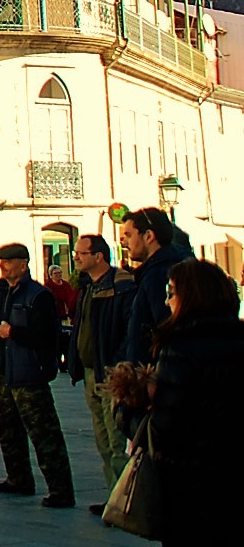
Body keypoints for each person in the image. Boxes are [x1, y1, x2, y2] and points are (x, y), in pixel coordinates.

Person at [110, 258, 242, 546]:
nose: (167, 302)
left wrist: (125, 410)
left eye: (171, 293)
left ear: (191, 297)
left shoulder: (180, 349)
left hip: (193, 488)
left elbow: (164, 431)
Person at [0, 242, 74, 508]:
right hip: (4, 372)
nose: (3, 267)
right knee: (8, 432)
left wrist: (13, 333)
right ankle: (18, 479)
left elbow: (46, 336)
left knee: (44, 433)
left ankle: (61, 490)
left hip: (29, 373)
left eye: (8, 262)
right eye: (1, 262)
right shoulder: (2, 293)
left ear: (23, 264)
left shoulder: (39, 296)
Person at [66, 232, 134, 514]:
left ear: (99, 256)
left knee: (116, 438)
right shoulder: (88, 287)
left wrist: (117, 364)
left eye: (81, 253)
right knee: (103, 439)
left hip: (110, 371)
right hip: (91, 370)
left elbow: (129, 330)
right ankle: (113, 497)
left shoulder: (121, 286)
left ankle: (124, 502)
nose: (76, 257)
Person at [118, 206, 191, 368]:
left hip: (155, 375)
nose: (124, 243)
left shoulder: (159, 275)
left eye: (129, 235)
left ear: (149, 236)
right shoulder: (157, 270)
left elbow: (165, 329)